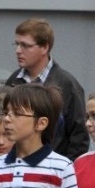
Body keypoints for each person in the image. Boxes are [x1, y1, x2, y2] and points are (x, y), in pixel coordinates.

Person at [5, 18, 89, 161]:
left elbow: (79, 137)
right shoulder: (14, 80)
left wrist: (65, 169)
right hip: (16, 164)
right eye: (17, 44)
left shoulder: (67, 84)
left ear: (45, 47)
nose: (18, 50)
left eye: (25, 45)